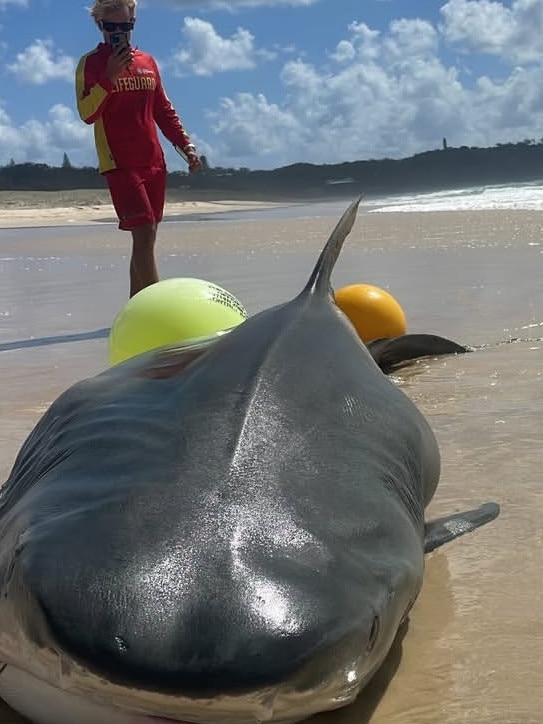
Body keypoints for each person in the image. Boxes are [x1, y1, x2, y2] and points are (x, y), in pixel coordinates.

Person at [75, 0, 201, 297]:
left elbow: (163, 110)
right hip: (119, 162)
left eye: (125, 26)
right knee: (143, 233)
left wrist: (186, 146)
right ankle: (158, 305)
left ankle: (136, 306)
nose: (119, 32)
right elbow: (86, 113)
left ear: (134, 23)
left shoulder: (148, 62)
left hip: (153, 160)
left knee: (147, 238)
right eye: (112, 27)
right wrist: (109, 77)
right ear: (100, 26)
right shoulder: (91, 63)